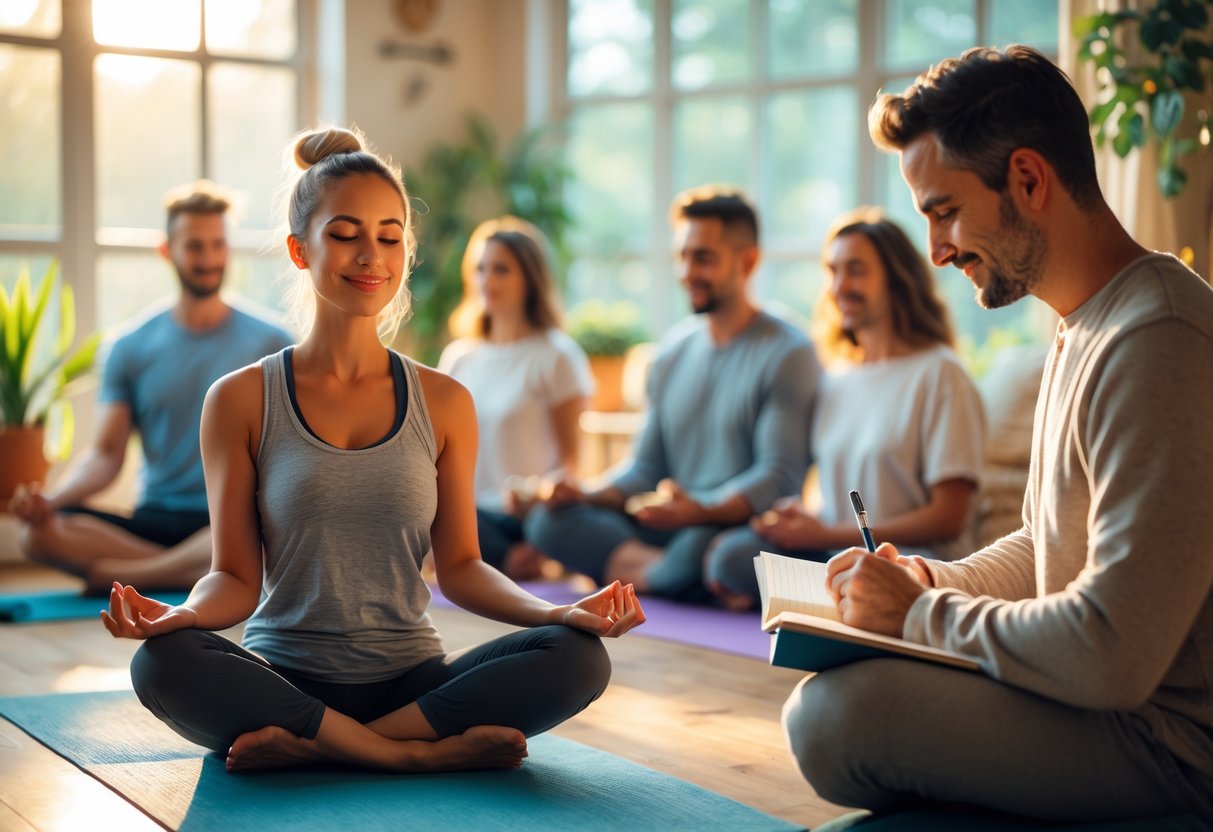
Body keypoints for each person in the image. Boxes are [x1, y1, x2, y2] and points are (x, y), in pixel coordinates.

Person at [101, 126, 644, 775]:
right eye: (344, 234)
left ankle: (321, 747)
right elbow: (236, 579)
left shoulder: (445, 400)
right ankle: (407, 755)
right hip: (284, 680)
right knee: (161, 661)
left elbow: (462, 566)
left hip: (409, 681)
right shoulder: (240, 399)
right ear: (299, 249)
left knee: (578, 655)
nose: (370, 256)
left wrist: (556, 609)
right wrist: (184, 613)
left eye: (390, 236)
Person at [782, 45, 1213, 822]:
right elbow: (1045, 544)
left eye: (943, 211)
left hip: (1170, 746)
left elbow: (1112, 653)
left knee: (833, 719)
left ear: (1027, 179)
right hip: (1101, 709)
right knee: (833, 702)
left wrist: (917, 618)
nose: (936, 250)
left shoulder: (1159, 336)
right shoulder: (1084, 324)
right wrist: (929, 582)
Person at [525, 187, 820, 603]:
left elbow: (777, 477)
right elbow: (645, 469)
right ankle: (664, 575)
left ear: (748, 261)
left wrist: (702, 509)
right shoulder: (670, 355)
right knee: (547, 519)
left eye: (703, 258)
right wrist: (585, 493)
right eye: (682, 256)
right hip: (671, 529)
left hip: (729, 527)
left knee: (724, 555)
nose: (686, 271)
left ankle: (641, 572)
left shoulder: (789, 352)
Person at [9, 183, 292, 594]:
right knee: (36, 534)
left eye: (217, 244)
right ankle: (197, 571)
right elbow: (106, 455)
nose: (208, 258)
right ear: (167, 251)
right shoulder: (129, 347)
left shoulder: (274, 342)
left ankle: (138, 576)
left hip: (232, 518)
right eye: (194, 246)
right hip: (156, 517)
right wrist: (50, 500)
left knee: (280, 525)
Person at [704, 207, 984, 611]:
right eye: (832, 271)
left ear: (896, 279)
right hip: (837, 555)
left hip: (910, 562)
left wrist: (826, 534)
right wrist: (804, 521)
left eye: (856, 270)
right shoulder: (835, 379)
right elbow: (842, 496)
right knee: (731, 555)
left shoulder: (940, 373)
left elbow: (948, 518)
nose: (839, 286)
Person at [438, 216, 593, 580]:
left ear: (530, 279)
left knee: (549, 526)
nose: (486, 281)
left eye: (501, 269)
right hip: (468, 516)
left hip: (525, 518)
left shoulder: (557, 355)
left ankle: (505, 559)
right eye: (480, 269)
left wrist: (537, 499)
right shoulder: (459, 357)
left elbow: (571, 466)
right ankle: (497, 562)